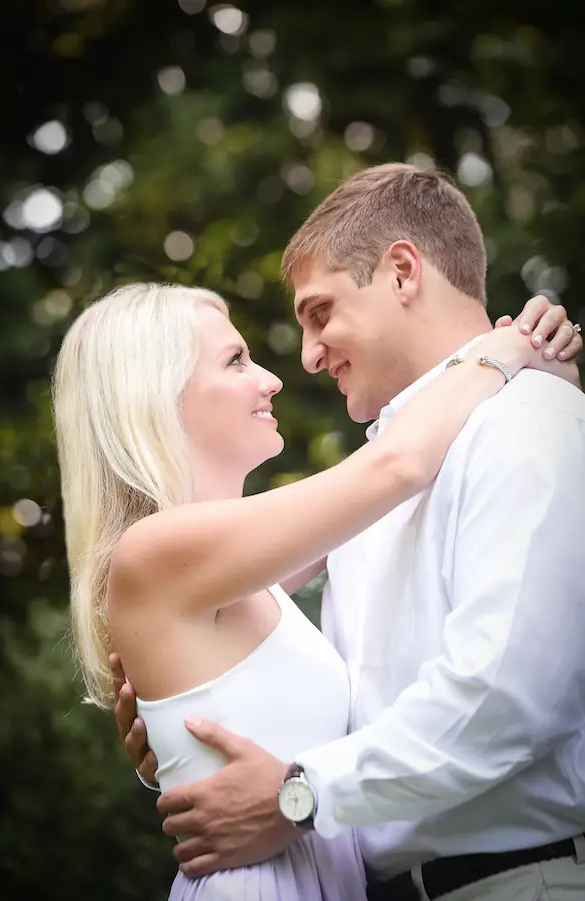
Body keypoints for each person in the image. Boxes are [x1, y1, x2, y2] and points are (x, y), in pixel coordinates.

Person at [113, 164, 585, 901]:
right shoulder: (374, 485)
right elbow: (334, 692)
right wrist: (181, 730)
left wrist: (300, 795)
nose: (304, 357)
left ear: (401, 272)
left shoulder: (527, 423)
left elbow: (503, 698)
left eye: (320, 312)